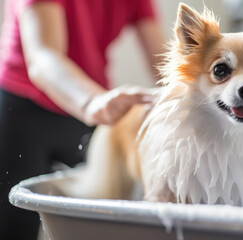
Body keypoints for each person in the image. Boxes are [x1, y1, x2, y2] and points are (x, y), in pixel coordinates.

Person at [0, 0, 164, 239]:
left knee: (91, 225)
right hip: (24, 106)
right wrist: (91, 102)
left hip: (88, 106)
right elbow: (43, 56)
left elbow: (163, 63)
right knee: (14, 226)